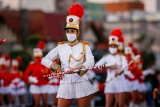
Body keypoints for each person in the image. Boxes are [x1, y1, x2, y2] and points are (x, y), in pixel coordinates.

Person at [41, 3, 97, 107]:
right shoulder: (60, 47)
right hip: (65, 83)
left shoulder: (85, 46)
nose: (70, 33)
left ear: (77, 33)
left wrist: (77, 68)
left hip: (80, 81)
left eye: (72, 31)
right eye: (68, 31)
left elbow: (90, 62)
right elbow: (45, 59)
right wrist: (57, 68)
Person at [95, 29, 129, 107]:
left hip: (120, 81)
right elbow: (97, 65)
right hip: (110, 81)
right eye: (111, 46)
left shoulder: (122, 57)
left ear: (117, 47)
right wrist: (106, 66)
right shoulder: (106, 57)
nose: (112, 47)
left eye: (114, 46)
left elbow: (125, 67)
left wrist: (119, 71)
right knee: (108, 104)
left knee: (121, 104)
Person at [23, 41, 51, 107]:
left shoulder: (45, 64)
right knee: (37, 104)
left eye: (39, 57)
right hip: (35, 85)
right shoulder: (32, 65)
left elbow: (50, 74)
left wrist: (51, 78)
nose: (37, 59)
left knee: (45, 103)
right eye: (36, 57)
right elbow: (25, 75)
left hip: (44, 84)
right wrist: (30, 78)